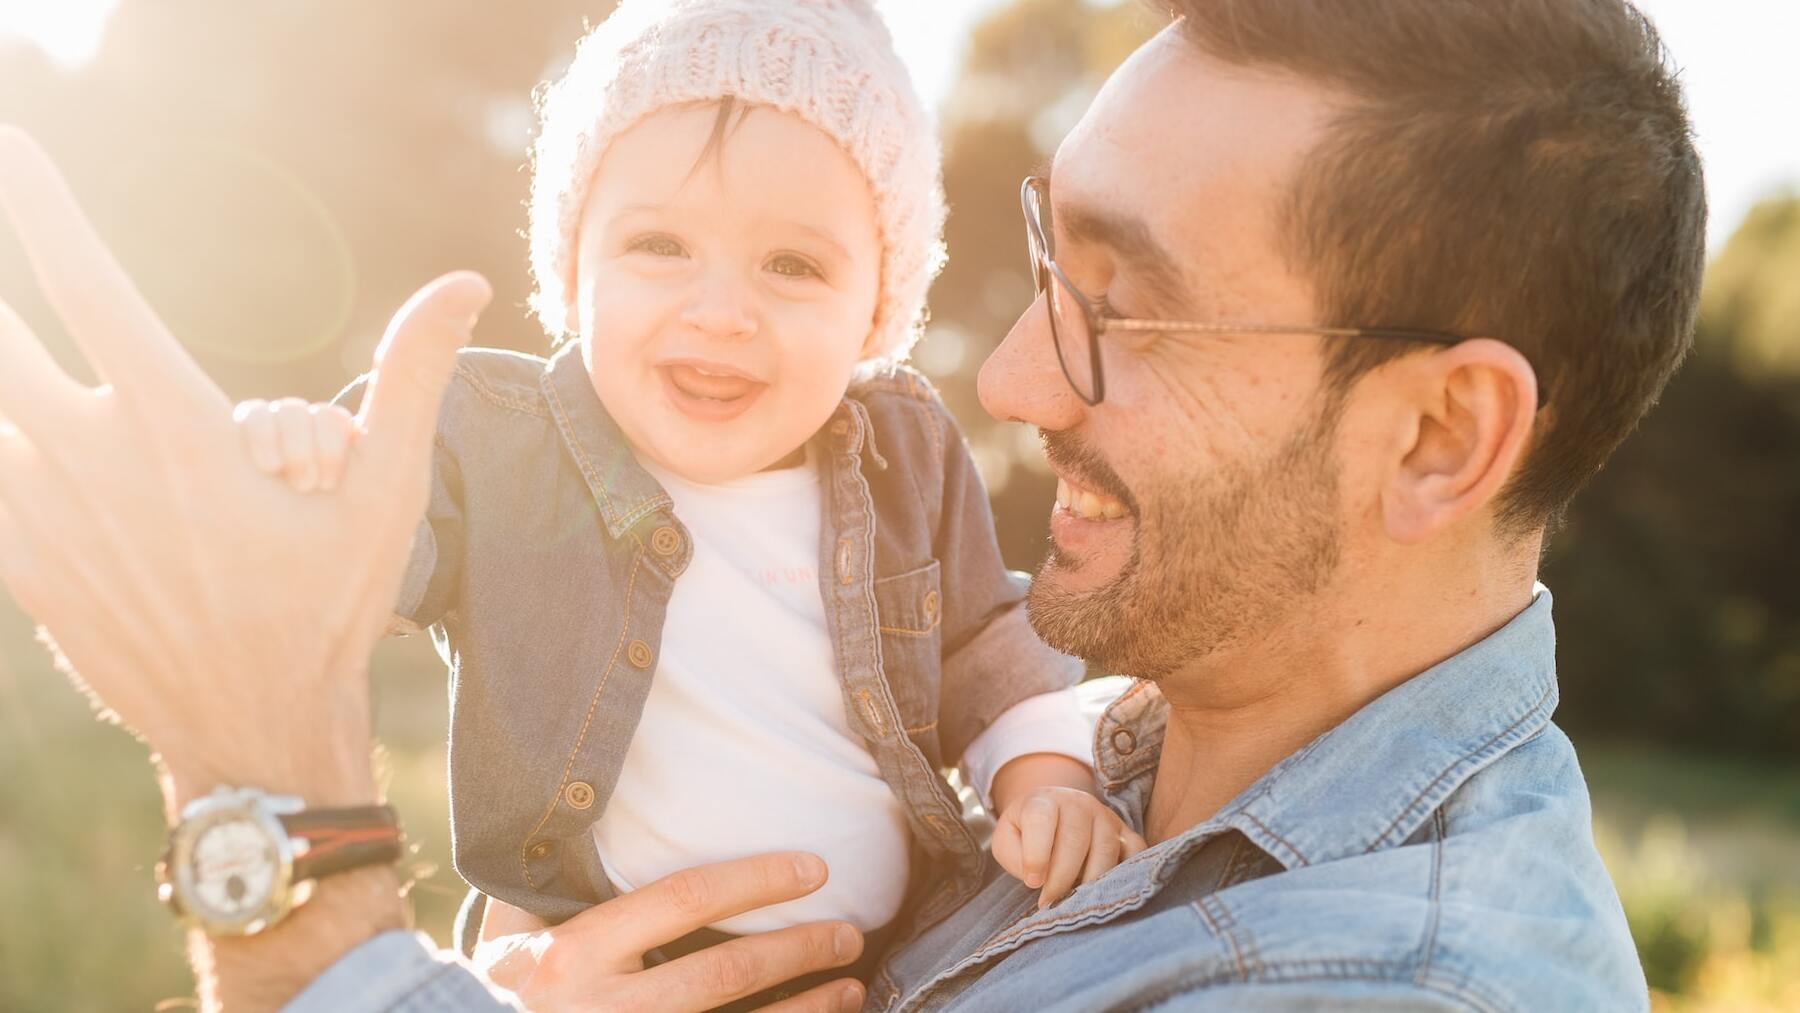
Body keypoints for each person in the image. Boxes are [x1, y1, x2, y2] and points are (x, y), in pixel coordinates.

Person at [0, 0, 1704, 1010]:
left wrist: (278, 830)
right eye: (1047, 258)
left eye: (1124, 305)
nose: (1017, 382)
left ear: (1436, 439)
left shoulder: (1402, 984)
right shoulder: (1111, 741)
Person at [225, 2, 1132, 998]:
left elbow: (984, 645)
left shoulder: (903, 454)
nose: (720, 313)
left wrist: (1048, 780)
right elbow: (358, 559)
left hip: (888, 961)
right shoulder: (498, 446)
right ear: (573, 273)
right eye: (660, 245)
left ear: (877, 309)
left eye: (792, 264)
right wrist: (305, 471)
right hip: (608, 966)